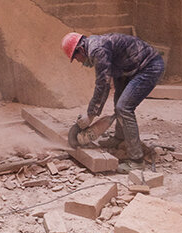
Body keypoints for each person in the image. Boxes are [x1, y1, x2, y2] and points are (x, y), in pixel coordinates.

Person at [61, 31, 165, 167]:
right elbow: (107, 81)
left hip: (149, 67)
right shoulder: (95, 46)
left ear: (80, 49)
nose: (79, 61)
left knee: (124, 108)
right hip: (129, 68)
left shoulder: (97, 50)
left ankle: (136, 160)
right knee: (119, 102)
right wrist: (93, 112)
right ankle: (120, 138)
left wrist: (90, 115)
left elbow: (103, 84)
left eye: (76, 58)